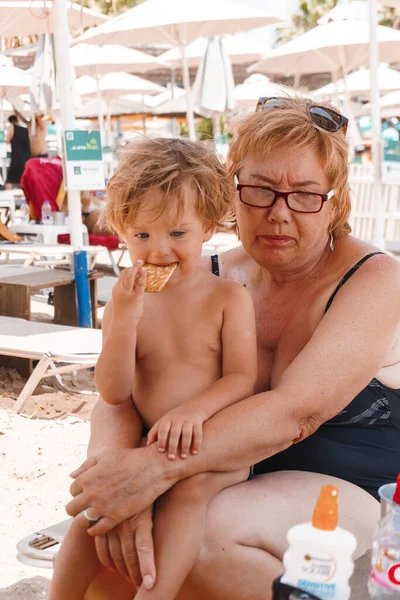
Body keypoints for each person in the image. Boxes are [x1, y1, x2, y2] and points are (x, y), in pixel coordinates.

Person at [66, 97, 400, 600]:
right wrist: (116, 480)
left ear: (335, 200)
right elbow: (121, 397)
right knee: (112, 545)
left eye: (305, 194)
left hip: (350, 489)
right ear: (227, 194)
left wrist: (149, 472)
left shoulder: (376, 279)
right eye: (260, 190)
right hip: (219, 474)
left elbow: (296, 412)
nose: (279, 214)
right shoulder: (201, 276)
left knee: (200, 535)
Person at [48, 137, 257, 600]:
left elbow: (242, 377)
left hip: (210, 448)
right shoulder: (128, 302)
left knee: (186, 495)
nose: (158, 250)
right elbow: (114, 391)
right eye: (142, 235)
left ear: (207, 226)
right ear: (123, 232)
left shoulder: (228, 298)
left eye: (177, 234)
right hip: (147, 440)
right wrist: (121, 322)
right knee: (91, 513)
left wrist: (194, 412)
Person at [5, 114, 31, 189]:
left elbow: (7, 141)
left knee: (10, 179)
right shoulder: (26, 129)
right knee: (24, 179)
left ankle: (7, 197)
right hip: (26, 158)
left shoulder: (12, 128)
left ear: (10, 122)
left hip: (16, 157)